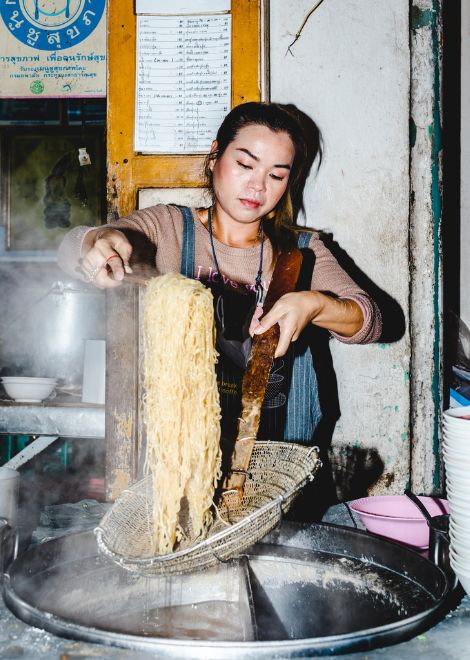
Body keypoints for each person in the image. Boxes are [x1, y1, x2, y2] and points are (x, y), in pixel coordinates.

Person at [58, 101, 381, 448]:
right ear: (215, 155)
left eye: (276, 175)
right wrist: (99, 241)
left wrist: (316, 305)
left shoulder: (300, 251)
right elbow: (73, 247)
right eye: (245, 165)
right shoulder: (169, 228)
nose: (258, 187)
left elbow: (370, 320)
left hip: (278, 460)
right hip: (179, 448)